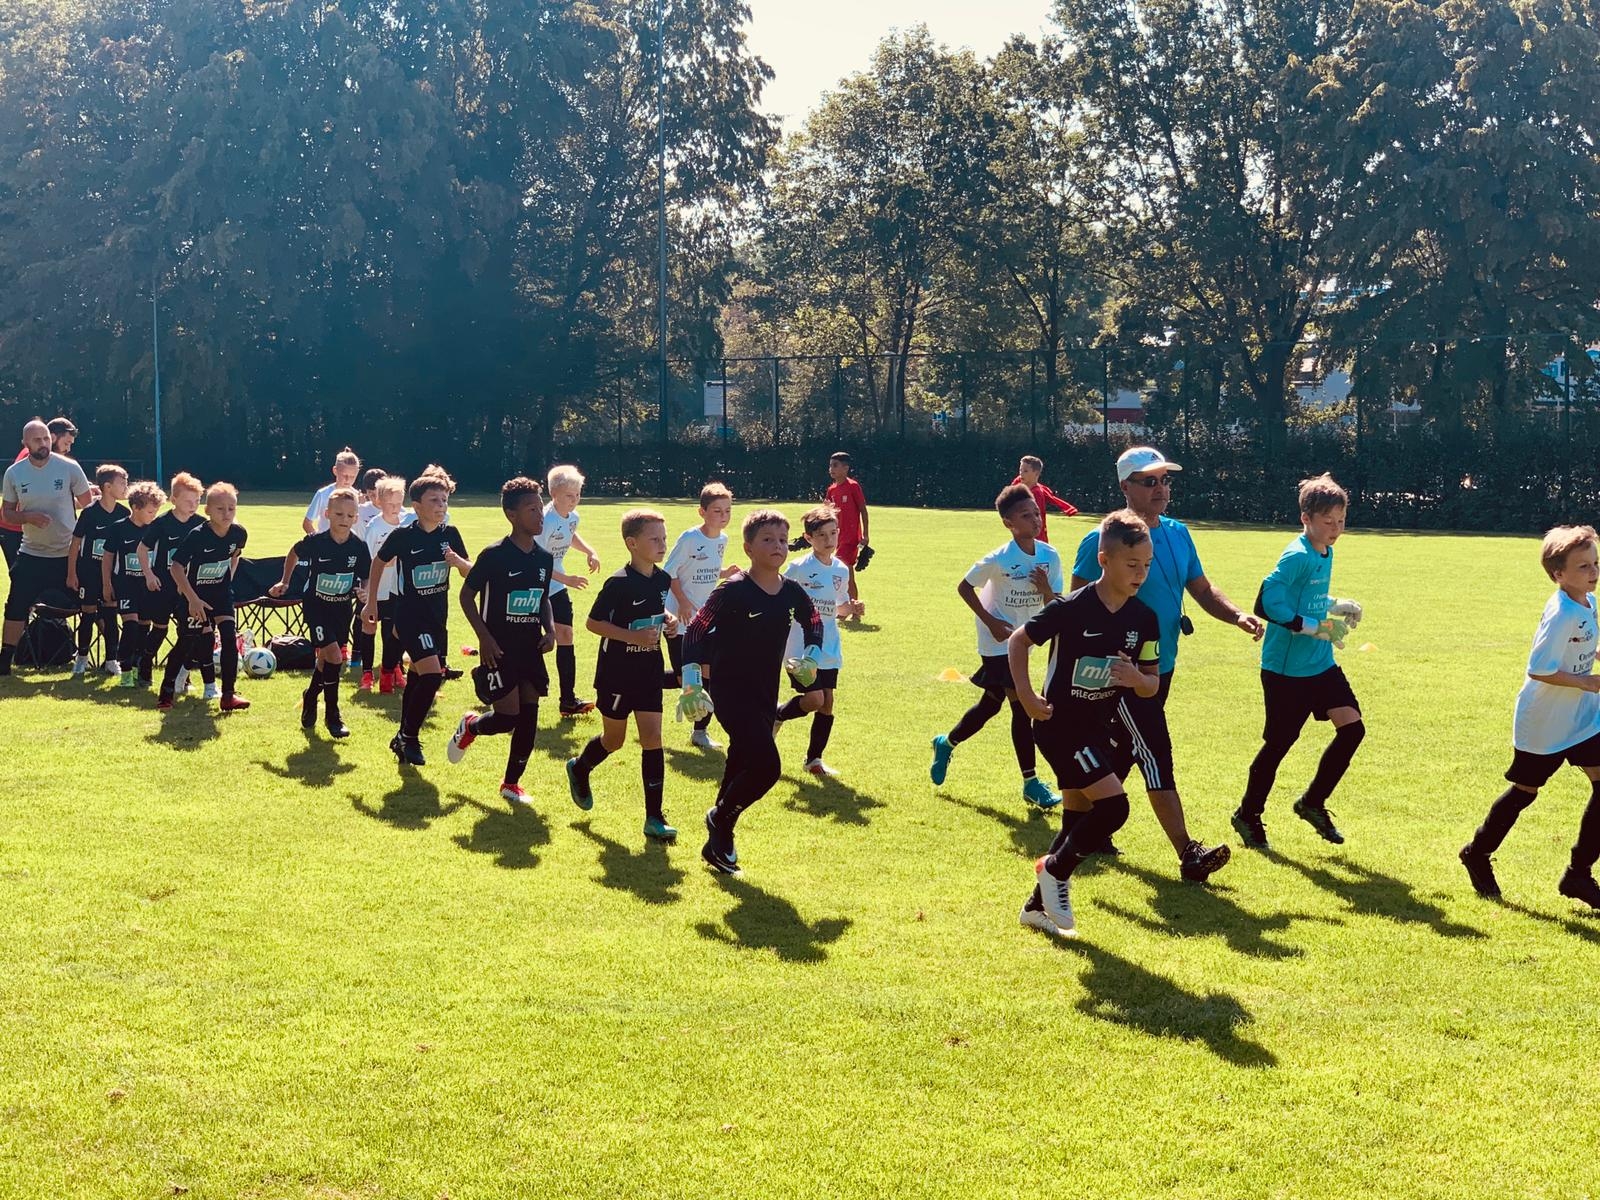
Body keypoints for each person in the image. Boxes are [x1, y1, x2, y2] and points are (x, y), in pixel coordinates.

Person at [1069, 446, 1256, 880]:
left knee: (1120, 749)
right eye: (1149, 481)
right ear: (1125, 486)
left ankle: (1087, 830)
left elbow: (1202, 589)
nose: (1161, 488)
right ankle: (1188, 852)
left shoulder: (1177, 533)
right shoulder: (1102, 539)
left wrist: (1237, 616)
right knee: (1153, 750)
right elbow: (1076, 603)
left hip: (1159, 666)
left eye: (1165, 480)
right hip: (1119, 673)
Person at [1012, 509, 1162, 938]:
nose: (1140, 574)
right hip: (1059, 726)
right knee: (1113, 808)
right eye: (1131, 564)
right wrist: (1027, 696)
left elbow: (1151, 683)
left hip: (1099, 729)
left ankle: (1035, 908)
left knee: (1076, 821)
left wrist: (1136, 679)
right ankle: (1054, 871)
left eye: (1146, 565)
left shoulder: (1143, 618)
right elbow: (1018, 641)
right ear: (1104, 560)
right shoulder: (1072, 608)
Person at [1459, 526, 1600, 909]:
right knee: (1525, 792)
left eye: (1595, 563)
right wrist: (1587, 682)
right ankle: (1477, 852)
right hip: (1545, 722)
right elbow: (1540, 668)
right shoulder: (1562, 613)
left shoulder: (1586, 601)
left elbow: (1582, 644)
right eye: (1583, 566)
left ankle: (1578, 874)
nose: (1593, 572)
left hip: (1581, 718)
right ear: (1558, 574)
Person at [680, 509, 823, 874]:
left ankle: (718, 844)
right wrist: (692, 682)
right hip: (730, 693)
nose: (777, 546)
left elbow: (813, 620)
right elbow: (695, 631)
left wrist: (811, 656)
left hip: (765, 693)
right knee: (767, 767)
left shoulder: (791, 591)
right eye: (767, 540)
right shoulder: (733, 590)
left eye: (782, 540)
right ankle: (719, 818)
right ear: (748, 548)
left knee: (741, 762)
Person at [1232, 473, 1366, 849]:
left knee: (1353, 729)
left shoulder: (1325, 550)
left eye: (1341, 520)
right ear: (1305, 518)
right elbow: (1266, 603)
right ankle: (1247, 814)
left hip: (1320, 665)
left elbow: (1306, 598)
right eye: (1328, 521)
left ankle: (1312, 803)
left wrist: (1336, 605)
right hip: (1286, 672)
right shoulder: (1296, 555)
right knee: (1279, 745)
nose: (1336, 529)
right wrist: (1314, 627)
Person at [930, 485, 1065, 812]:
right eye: (1026, 515)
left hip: (1024, 640)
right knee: (1022, 705)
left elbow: (1058, 603)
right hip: (996, 641)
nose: (1035, 519)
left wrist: (1045, 588)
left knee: (990, 705)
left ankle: (946, 743)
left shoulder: (1050, 556)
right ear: (1009, 523)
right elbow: (964, 587)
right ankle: (1031, 783)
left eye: (1036, 513)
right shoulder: (999, 558)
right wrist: (990, 621)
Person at [564, 509, 678, 842]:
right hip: (616, 674)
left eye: (664, 538)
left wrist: (667, 619)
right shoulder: (618, 583)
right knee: (614, 740)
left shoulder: (662, 579)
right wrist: (632, 637)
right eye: (654, 539)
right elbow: (593, 623)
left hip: (649, 671)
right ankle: (580, 767)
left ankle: (654, 817)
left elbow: (653, 609)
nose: (662, 544)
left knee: (652, 738)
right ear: (632, 543)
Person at [448, 477, 556, 806]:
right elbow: (466, 597)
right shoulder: (494, 555)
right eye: (531, 509)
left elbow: (542, 599)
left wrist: (550, 630)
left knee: (529, 718)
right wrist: (484, 638)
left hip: (530, 649)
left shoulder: (543, 558)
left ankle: (511, 783)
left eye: (541, 508)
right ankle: (471, 726)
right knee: (507, 717)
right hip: (499, 650)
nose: (540, 515)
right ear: (511, 514)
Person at [362, 474, 470, 766]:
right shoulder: (403, 536)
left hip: (437, 619)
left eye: (444, 500)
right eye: (434, 500)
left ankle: (401, 737)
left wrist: (459, 562)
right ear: (417, 506)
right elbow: (378, 562)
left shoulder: (451, 534)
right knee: (434, 675)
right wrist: (371, 601)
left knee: (419, 675)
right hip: (409, 617)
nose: (441, 505)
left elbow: (469, 571)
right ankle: (409, 737)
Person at [270, 486, 371, 738]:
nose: (344, 519)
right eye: (339, 514)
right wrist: (285, 581)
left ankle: (311, 694)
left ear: (356, 518)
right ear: (327, 514)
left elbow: (366, 575)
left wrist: (365, 592)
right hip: (316, 606)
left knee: (326, 659)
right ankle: (333, 716)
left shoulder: (358, 547)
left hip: (341, 608)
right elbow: (294, 553)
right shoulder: (316, 542)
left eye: (350, 515)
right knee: (335, 656)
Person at [0, 419, 94, 676]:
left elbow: (89, 507)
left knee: (91, 601)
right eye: (36, 440)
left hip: (68, 553)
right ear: (25, 443)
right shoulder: (14, 473)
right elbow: (7, 513)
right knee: (15, 605)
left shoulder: (69, 467)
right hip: (32, 553)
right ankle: (6, 659)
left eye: (45, 439)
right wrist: (28, 517)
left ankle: (108, 657)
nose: (43, 444)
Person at [774, 504, 862, 776]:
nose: (829, 540)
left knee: (827, 702)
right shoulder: (799, 568)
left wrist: (852, 608)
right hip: (800, 647)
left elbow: (839, 609)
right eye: (822, 535)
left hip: (829, 646)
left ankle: (814, 760)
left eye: (833, 533)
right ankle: (778, 715)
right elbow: (777, 597)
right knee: (813, 699)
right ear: (809, 538)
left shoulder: (841, 569)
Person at [162, 482, 250, 712]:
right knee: (186, 642)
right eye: (220, 509)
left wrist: (227, 581)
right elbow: (176, 567)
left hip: (221, 594)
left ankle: (228, 695)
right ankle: (166, 692)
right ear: (207, 510)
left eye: (231, 508)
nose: (227, 514)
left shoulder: (239, 533)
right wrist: (191, 598)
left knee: (229, 638)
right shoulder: (197, 536)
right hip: (195, 596)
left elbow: (235, 555)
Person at [663, 481, 735, 750]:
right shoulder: (690, 538)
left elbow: (705, 570)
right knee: (685, 679)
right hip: (680, 620)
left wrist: (725, 573)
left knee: (708, 676)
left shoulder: (723, 540)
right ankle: (639, 681)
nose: (723, 516)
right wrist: (682, 603)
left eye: (727, 511)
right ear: (702, 512)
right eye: (717, 511)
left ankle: (700, 732)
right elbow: (669, 573)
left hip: (707, 620)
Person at [537, 464, 602, 715]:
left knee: (566, 635)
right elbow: (536, 561)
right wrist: (567, 579)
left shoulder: (573, 517)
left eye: (577, 494)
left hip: (556, 586)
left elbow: (571, 533)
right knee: (529, 639)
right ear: (554, 494)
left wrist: (590, 551)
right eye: (569, 495)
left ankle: (567, 700)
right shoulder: (545, 521)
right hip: (536, 585)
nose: (574, 500)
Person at [137, 472, 207, 693]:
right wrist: (149, 575)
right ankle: (145, 664)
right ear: (174, 499)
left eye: (197, 500)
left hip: (188, 589)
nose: (193, 505)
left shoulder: (201, 525)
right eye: (188, 501)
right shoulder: (162, 523)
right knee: (159, 628)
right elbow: (142, 549)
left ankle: (181, 676)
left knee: (187, 633)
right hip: (163, 586)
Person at [66, 464, 131, 677]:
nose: (126, 487)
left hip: (111, 575)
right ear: (107, 486)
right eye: (122, 483)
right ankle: (82, 658)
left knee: (111, 616)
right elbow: (75, 544)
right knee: (88, 614)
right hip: (89, 573)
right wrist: (72, 573)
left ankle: (112, 660)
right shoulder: (89, 513)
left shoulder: (124, 513)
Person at [101, 479, 166, 689]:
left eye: (156, 512)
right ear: (136, 507)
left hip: (148, 587)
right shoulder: (119, 528)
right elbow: (108, 557)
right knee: (130, 626)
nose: (153, 516)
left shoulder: (156, 529)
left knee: (143, 629)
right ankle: (126, 670)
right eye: (150, 511)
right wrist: (106, 584)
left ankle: (139, 666)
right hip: (125, 584)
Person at [362, 474, 410, 692]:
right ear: (379, 502)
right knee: (370, 627)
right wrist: (365, 591)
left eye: (399, 504)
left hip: (397, 589)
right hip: (376, 590)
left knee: (393, 631)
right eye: (391, 504)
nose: (395, 508)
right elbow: (367, 560)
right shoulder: (374, 527)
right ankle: (367, 673)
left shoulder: (407, 523)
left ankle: (394, 668)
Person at [825, 451, 870, 609]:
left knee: (845, 572)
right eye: (830, 465)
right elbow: (826, 512)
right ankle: (847, 608)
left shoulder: (853, 486)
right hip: (836, 537)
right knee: (841, 573)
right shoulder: (831, 490)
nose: (831, 469)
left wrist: (865, 534)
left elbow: (863, 510)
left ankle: (853, 608)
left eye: (835, 465)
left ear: (846, 468)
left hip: (850, 538)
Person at [1012, 455, 1079, 544]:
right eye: (1020, 470)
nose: (1021, 473)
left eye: (1025, 471)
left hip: (1036, 539)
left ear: (1036, 473)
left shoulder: (1036, 494)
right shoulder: (1021, 485)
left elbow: (1036, 520)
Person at [303, 447, 361, 535]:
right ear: (335, 471)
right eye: (344, 475)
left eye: (352, 476)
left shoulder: (357, 497)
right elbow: (307, 523)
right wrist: (318, 541)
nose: (347, 479)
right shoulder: (323, 494)